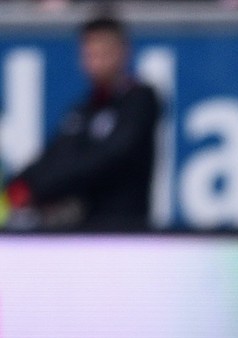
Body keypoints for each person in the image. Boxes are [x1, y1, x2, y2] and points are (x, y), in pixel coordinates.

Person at [3, 15, 160, 231]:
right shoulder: (83, 110)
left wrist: (39, 189)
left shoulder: (140, 101)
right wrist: (16, 188)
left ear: (123, 52)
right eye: (90, 54)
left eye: (103, 53)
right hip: (84, 230)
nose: (96, 62)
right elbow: (54, 156)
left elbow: (105, 158)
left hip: (125, 231)